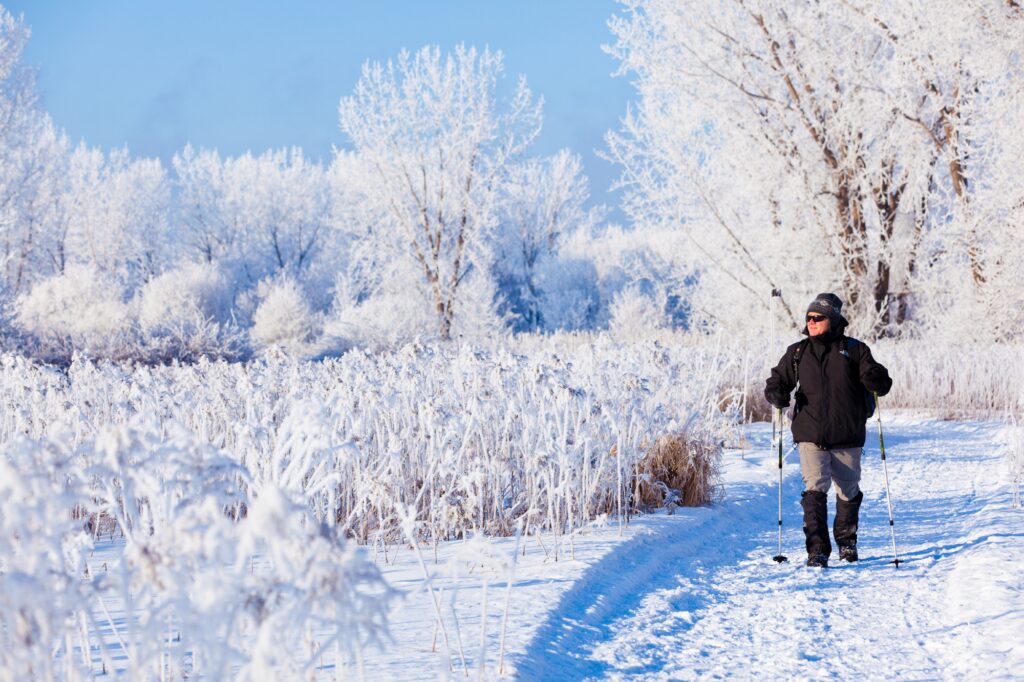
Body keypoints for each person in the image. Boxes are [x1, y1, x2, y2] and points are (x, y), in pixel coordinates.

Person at [764, 293, 892, 567]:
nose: (811, 322)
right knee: (815, 489)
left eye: (817, 317)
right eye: (808, 317)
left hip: (847, 433)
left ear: (832, 320)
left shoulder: (855, 350)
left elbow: (881, 379)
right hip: (810, 433)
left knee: (847, 491)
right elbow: (778, 379)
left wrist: (876, 379)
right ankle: (817, 550)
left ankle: (846, 542)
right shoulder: (798, 352)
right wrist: (776, 392)